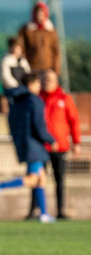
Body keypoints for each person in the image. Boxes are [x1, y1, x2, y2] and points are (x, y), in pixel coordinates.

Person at [0, 73, 57, 223]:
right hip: (34, 145)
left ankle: (44, 214)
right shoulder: (34, 100)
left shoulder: (16, 100)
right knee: (33, 179)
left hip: (23, 143)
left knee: (41, 179)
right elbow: (39, 126)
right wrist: (51, 140)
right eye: (38, 84)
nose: (40, 87)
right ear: (31, 84)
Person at [40, 70, 81, 219]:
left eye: (50, 80)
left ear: (56, 81)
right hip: (41, 147)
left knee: (60, 180)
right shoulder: (38, 98)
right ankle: (36, 210)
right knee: (38, 179)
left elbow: (74, 120)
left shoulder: (64, 98)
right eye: (45, 80)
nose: (47, 83)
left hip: (60, 146)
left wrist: (76, 142)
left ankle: (60, 210)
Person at [16, 1, 60, 74]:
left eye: (42, 12)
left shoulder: (51, 31)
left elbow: (56, 51)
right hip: (31, 67)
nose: (39, 15)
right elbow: (21, 47)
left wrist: (56, 69)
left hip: (48, 67)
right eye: (37, 12)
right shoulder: (26, 30)